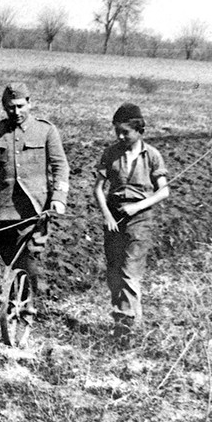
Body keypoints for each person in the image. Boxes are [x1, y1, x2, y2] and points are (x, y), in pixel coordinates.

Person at [0, 82, 70, 301]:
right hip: (3, 209)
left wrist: (59, 198)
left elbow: (61, 166)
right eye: (11, 107)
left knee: (29, 259)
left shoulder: (46, 130)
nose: (16, 112)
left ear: (29, 103)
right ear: (4, 107)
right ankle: (14, 304)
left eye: (20, 106)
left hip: (35, 209)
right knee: (9, 262)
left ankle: (28, 307)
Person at [93, 103, 169, 341]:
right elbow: (98, 189)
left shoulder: (152, 155)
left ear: (139, 130)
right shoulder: (110, 153)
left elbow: (164, 191)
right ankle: (129, 318)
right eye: (117, 131)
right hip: (114, 217)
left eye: (125, 132)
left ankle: (125, 328)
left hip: (140, 219)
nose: (120, 137)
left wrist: (137, 206)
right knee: (114, 271)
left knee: (130, 270)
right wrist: (107, 215)